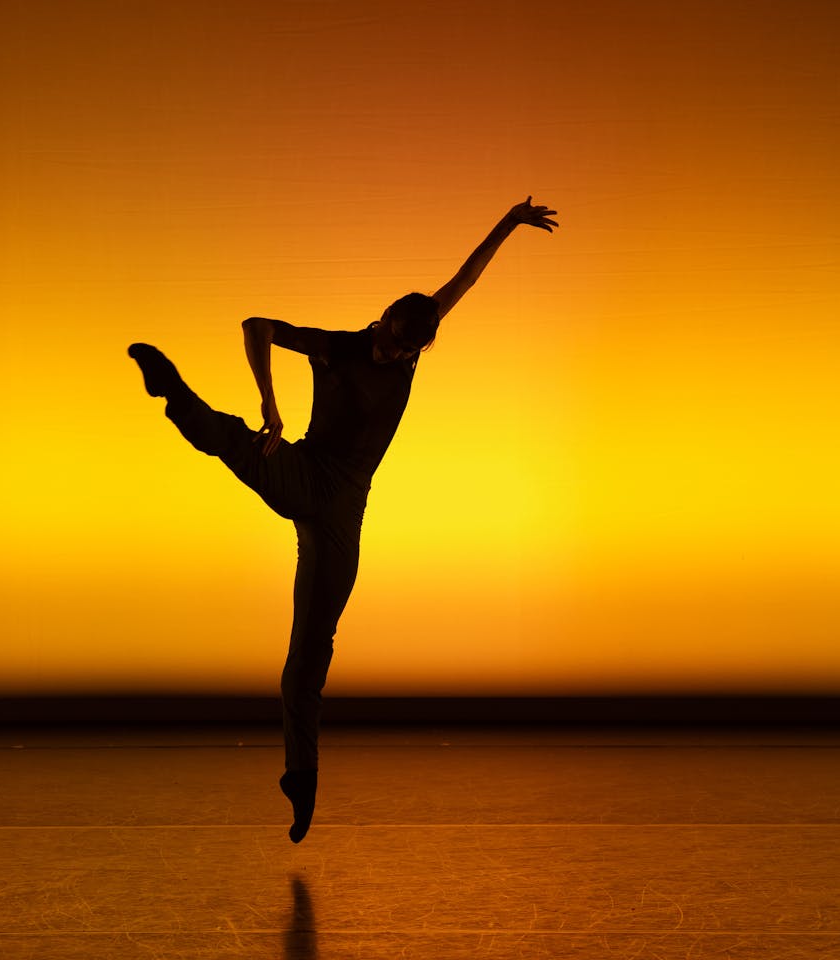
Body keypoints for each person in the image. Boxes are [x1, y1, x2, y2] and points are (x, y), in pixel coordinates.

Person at [129, 196, 558, 842]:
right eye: (389, 344)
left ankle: (302, 781)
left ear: (418, 342)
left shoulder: (417, 333)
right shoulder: (337, 350)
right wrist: (271, 403)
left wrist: (511, 221)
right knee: (237, 442)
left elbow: (465, 278)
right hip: (304, 475)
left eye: (406, 351)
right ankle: (173, 390)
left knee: (308, 658)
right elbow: (257, 326)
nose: (393, 357)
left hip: (344, 518)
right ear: (381, 321)